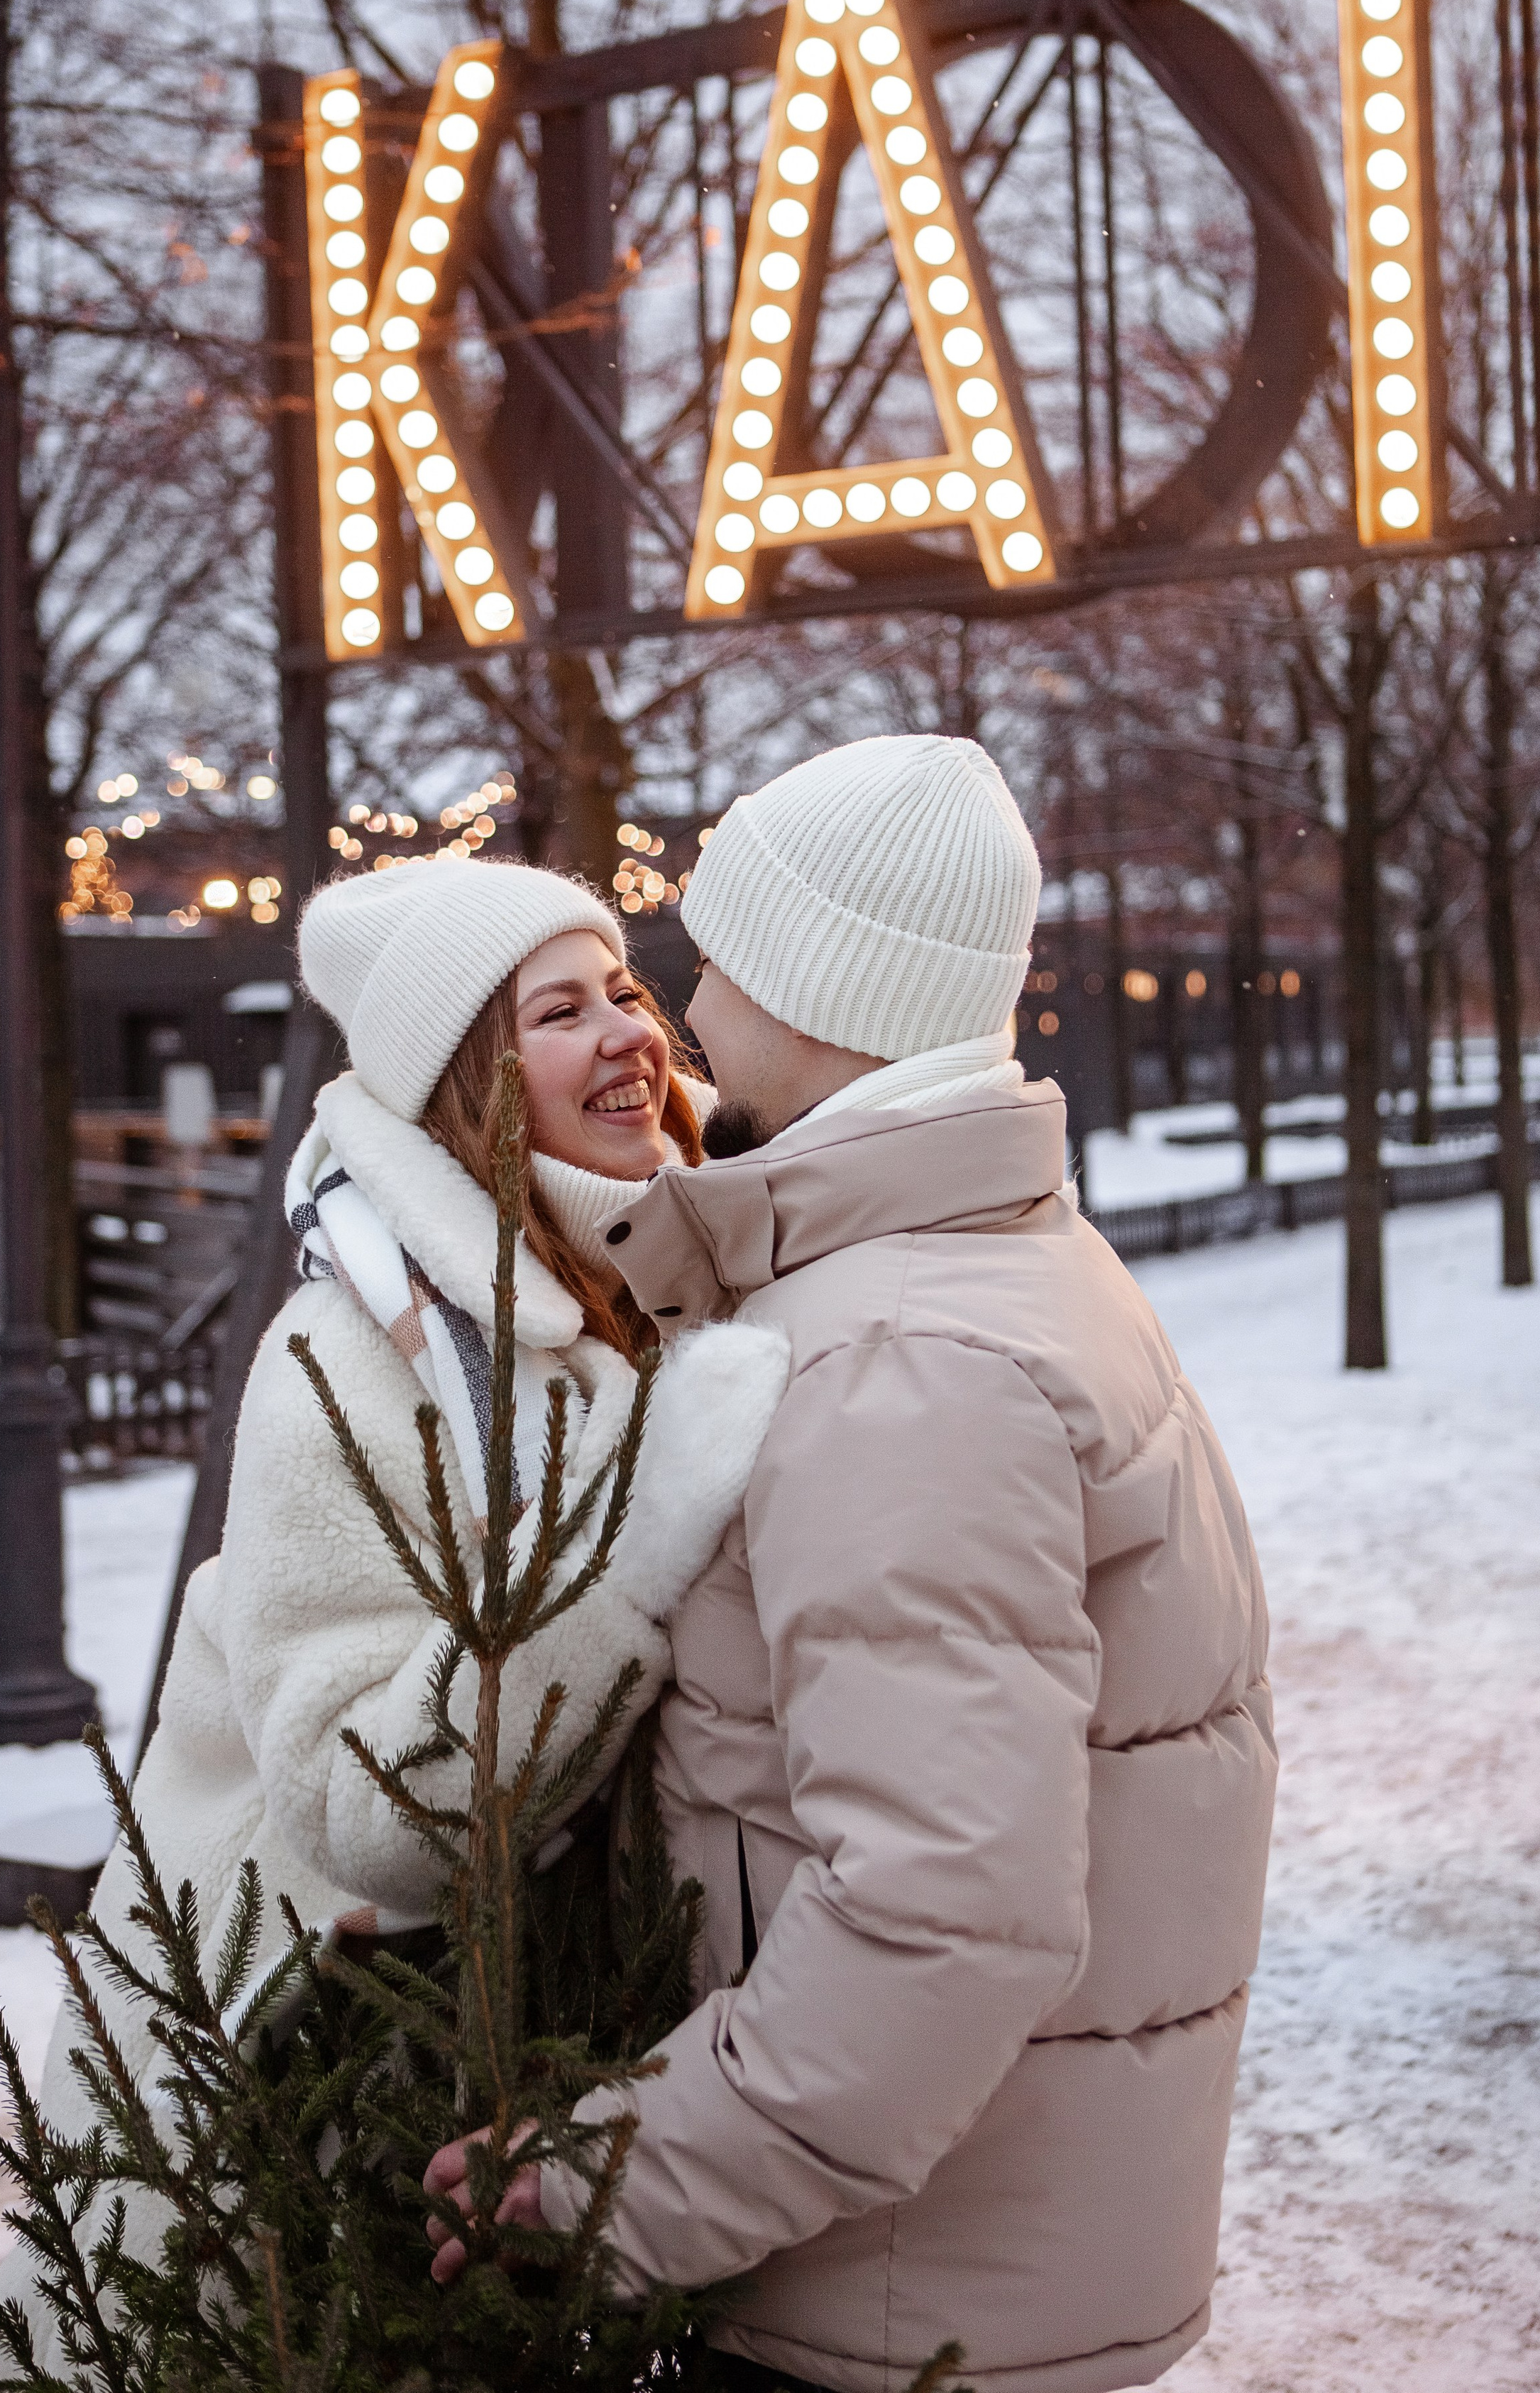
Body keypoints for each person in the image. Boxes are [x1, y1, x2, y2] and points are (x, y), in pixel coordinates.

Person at [426, 735, 1275, 2393]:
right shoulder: (990, 1264)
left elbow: (938, 1911)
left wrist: (609, 2188)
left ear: (818, 989)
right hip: (961, 2263)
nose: (687, 1008)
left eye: (718, 958)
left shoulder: (897, 1356)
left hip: (887, 2304)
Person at [0, 859, 789, 2393]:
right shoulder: (350, 1358)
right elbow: (363, 1811)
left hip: (533, 2063)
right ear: (467, 1083)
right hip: (299, 2080)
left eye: (624, 990)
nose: (628, 1033)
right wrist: (622, 1562)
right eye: (557, 1013)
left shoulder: (668, 1281)